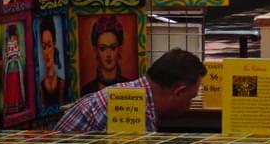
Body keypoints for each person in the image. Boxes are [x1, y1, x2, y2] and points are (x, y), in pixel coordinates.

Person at [54, 46, 205, 134]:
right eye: (190, 98)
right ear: (178, 92)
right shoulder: (136, 110)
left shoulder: (133, 95)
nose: (189, 106)